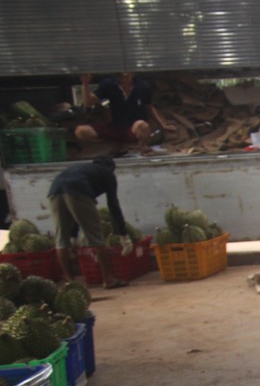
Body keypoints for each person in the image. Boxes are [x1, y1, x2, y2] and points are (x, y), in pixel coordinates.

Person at [47, 156, 131, 289]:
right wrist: (123, 234)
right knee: (96, 237)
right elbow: (113, 204)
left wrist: (73, 236)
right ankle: (108, 279)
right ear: (111, 168)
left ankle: (70, 282)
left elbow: (73, 209)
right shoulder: (107, 173)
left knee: (61, 240)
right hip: (78, 191)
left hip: (54, 191)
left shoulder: (84, 169)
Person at [73, 72, 176, 151]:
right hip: (115, 127)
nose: (123, 79)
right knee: (81, 131)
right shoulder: (109, 85)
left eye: (126, 76)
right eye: (120, 76)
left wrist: (163, 124)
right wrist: (85, 84)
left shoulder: (143, 87)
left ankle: (141, 145)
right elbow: (88, 103)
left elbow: (150, 106)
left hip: (134, 130)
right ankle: (111, 144)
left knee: (141, 125)